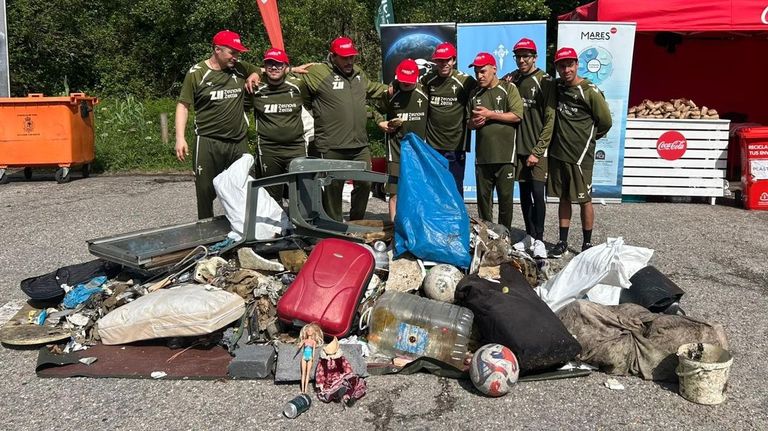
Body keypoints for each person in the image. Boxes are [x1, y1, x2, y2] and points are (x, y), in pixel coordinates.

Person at [175, 30, 260, 219]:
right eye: (232, 52)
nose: (236, 57)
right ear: (217, 50)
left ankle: (244, 230)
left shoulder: (239, 67)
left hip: (238, 141)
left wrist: (253, 75)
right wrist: (180, 138)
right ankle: (206, 232)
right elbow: (183, 105)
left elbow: (258, 69)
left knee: (245, 187)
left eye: (238, 53)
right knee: (205, 191)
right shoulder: (196, 74)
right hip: (208, 141)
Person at [302, 37, 388, 222]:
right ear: (333, 56)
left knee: (365, 183)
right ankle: (335, 226)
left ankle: (356, 223)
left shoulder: (358, 73)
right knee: (333, 188)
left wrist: (391, 89)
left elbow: (371, 88)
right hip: (332, 145)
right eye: (344, 58)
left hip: (359, 145)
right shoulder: (318, 72)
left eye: (352, 57)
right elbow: (297, 89)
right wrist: (290, 69)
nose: (349, 61)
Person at [547, 47, 612, 258]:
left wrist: (589, 140)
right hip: (559, 153)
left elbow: (605, 122)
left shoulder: (590, 91)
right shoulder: (558, 87)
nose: (566, 69)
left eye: (569, 64)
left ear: (577, 64)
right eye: (561, 65)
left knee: (585, 199)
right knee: (564, 198)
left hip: (580, 156)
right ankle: (562, 241)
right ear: (557, 67)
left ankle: (587, 243)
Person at [503, 38, 556, 259]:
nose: (522, 60)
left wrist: (538, 149)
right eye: (518, 56)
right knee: (524, 195)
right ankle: (529, 236)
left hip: (537, 149)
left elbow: (550, 118)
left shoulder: (545, 81)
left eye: (526, 56)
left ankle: (540, 240)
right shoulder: (513, 79)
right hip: (519, 148)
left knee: (537, 193)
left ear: (535, 57)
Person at [466, 52, 523, 230]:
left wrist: (490, 114)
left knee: (506, 201)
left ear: (494, 69)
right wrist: (473, 123)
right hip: (482, 158)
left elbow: (517, 115)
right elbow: (468, 123)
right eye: (476, 72)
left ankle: (505, 235)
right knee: (483, 201)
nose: (479, 76)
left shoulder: (509, 88)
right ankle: (487, 235)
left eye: (483, 71)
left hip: (505, 156)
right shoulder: (475, 93)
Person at [251, 47, 311, 203]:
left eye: (279, 64)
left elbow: (313, 104)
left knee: (299, 193)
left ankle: (299, 225)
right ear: (264, 66)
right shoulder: (256, 87)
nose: (274, 68)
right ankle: (275, 227)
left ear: (286, 67)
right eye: (269, 64)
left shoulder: (298, 85)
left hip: (295, 147)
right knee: (271, 195)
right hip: (268, 149)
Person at [375, 58, 429, 221]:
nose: (406, 84)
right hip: (396, 151)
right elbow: (375, 109)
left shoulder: (425, 92)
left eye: (409, 81)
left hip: (419, 152)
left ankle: (416, 228)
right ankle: (394, 231)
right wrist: (380, 122)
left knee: (417, 192)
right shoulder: (391, 93)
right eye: (403, 81)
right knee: (395, 193)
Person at [421, 42, 477, 196]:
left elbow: (487, 88)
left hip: (456, 144)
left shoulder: (466, 81)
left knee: (455, 185)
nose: (444, 64)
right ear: (435, 62)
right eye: (440, 60)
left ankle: (457, 219)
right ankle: (437, 220)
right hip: (433, 145)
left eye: (447, 60)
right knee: (435, 186)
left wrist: (507, 80)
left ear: (454, 60)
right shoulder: (427, 80)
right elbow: (411, 89)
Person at [314, 337, 367, 408]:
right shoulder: (323, 361)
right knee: (331, 390)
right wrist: (320, 383)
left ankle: (348, 396)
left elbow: (346, 366)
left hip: (340, 376)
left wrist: (349, 374)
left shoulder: (340, 358)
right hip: (330, 381)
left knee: (352, 383)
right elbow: (320, 373)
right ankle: (341, 395)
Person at [297, 323, 323, 394]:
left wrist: (312, 358)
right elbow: (300, 346)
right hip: (304, 357)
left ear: (313, 332)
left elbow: (313, 351)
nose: (309, 331)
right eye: (308, 330)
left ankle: (305, 389)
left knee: (307, 373)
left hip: (310, 357)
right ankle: (302, 389)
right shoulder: (304, 341)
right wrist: (299, 345)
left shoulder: (313, 342)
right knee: (303, 374)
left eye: (311, 330)